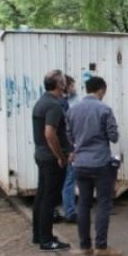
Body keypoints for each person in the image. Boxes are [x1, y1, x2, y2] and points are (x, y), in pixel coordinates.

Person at [66, 76, 122, 256]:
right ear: (101, 90)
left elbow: (69, 137)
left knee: (83, 204)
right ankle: (101, 247)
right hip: (100, 164)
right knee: (103, 204)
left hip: (80, 164)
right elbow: (113, 137)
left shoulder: (73, 110)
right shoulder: (104, 109)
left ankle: (85, 246)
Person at [31, 69, 71, 251]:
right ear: (59, 85)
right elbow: (50, 133)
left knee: (41, 196)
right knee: (49, 199)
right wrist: (60, 156)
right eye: (63, 81)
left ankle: (38, 234)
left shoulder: (41, 102)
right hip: (50, 158)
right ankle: (47, 240)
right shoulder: (54, 105)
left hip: (41, 154)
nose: (65, 84)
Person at [60, 76, 80, 223]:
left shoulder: (59, 102)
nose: (74, 88)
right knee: (69, 180)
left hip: (64, 146)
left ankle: (67, 210)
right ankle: (70, 212)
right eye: (72, 86)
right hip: (68, 146)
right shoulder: (65, 104)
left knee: (66, 180)